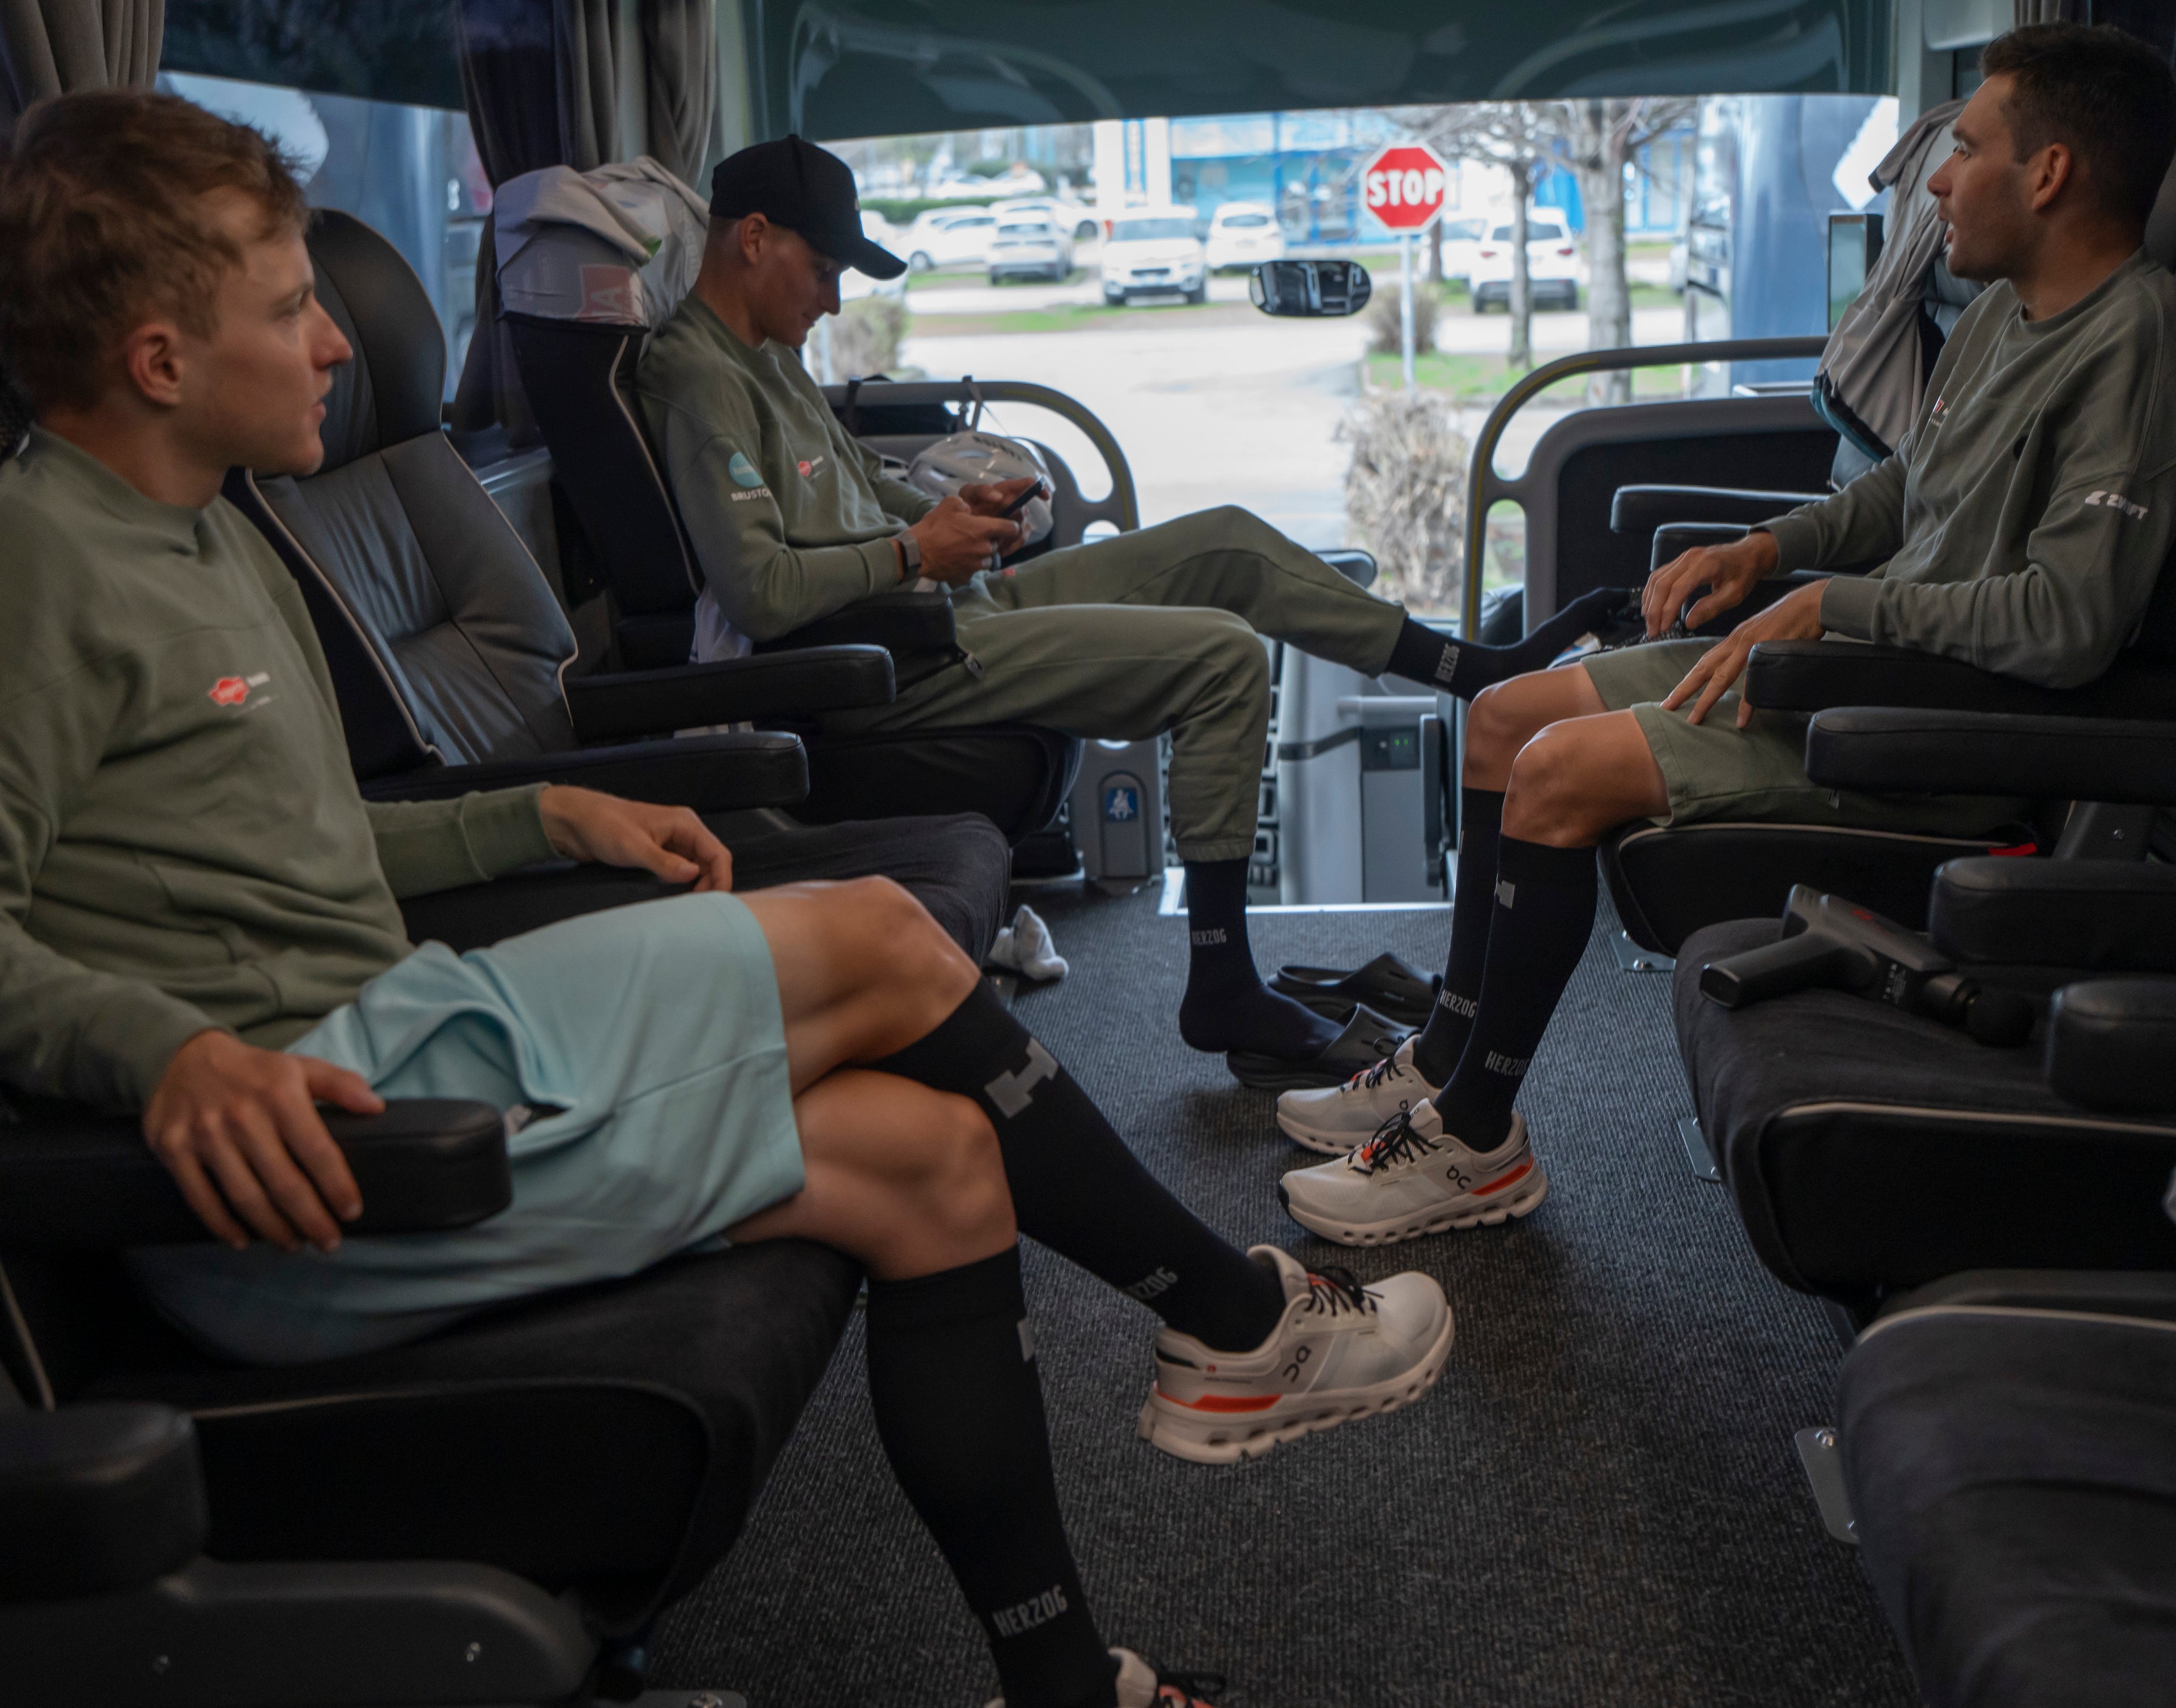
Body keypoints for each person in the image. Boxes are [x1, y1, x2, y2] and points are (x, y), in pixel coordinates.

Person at [0, 91, 1454, 1708]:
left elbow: (312, 848)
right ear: (158, 361)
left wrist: (540, 809)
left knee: (934, 1164)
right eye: (289, 310)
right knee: (884, 937)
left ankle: (1058, 1685)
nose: (338, 342)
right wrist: (168, 1056)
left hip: (406, 1046)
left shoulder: (213, 534)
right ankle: (1239, 1324)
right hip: (326, 1168)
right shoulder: (39, 565)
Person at [1273, 21, 2176, 1243]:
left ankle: (1478, 1141)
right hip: (1858, 669)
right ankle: (1442, 1058)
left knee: (1555, 772)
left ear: (2052, 173)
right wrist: (1770, 550)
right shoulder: (2001, 317)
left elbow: (2070, 622)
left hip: (1931, 728)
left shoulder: (2135, 340)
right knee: (1501, 716)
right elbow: (1906, 492)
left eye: (1965, 150)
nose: (1939, 182)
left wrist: (1838, 605)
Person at [635, 133, 1626, 1084]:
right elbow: (762, 592)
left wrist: (962, 512)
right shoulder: (697, 376)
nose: (834, 297)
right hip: (894, 656)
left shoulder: (770, 355)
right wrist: (913, 552)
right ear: (753, 238)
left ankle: (1470, 672)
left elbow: (860, 482)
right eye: (823, 270)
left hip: (942, 598)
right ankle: (1223, 985)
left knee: (1228, 542)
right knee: (1225, 659)